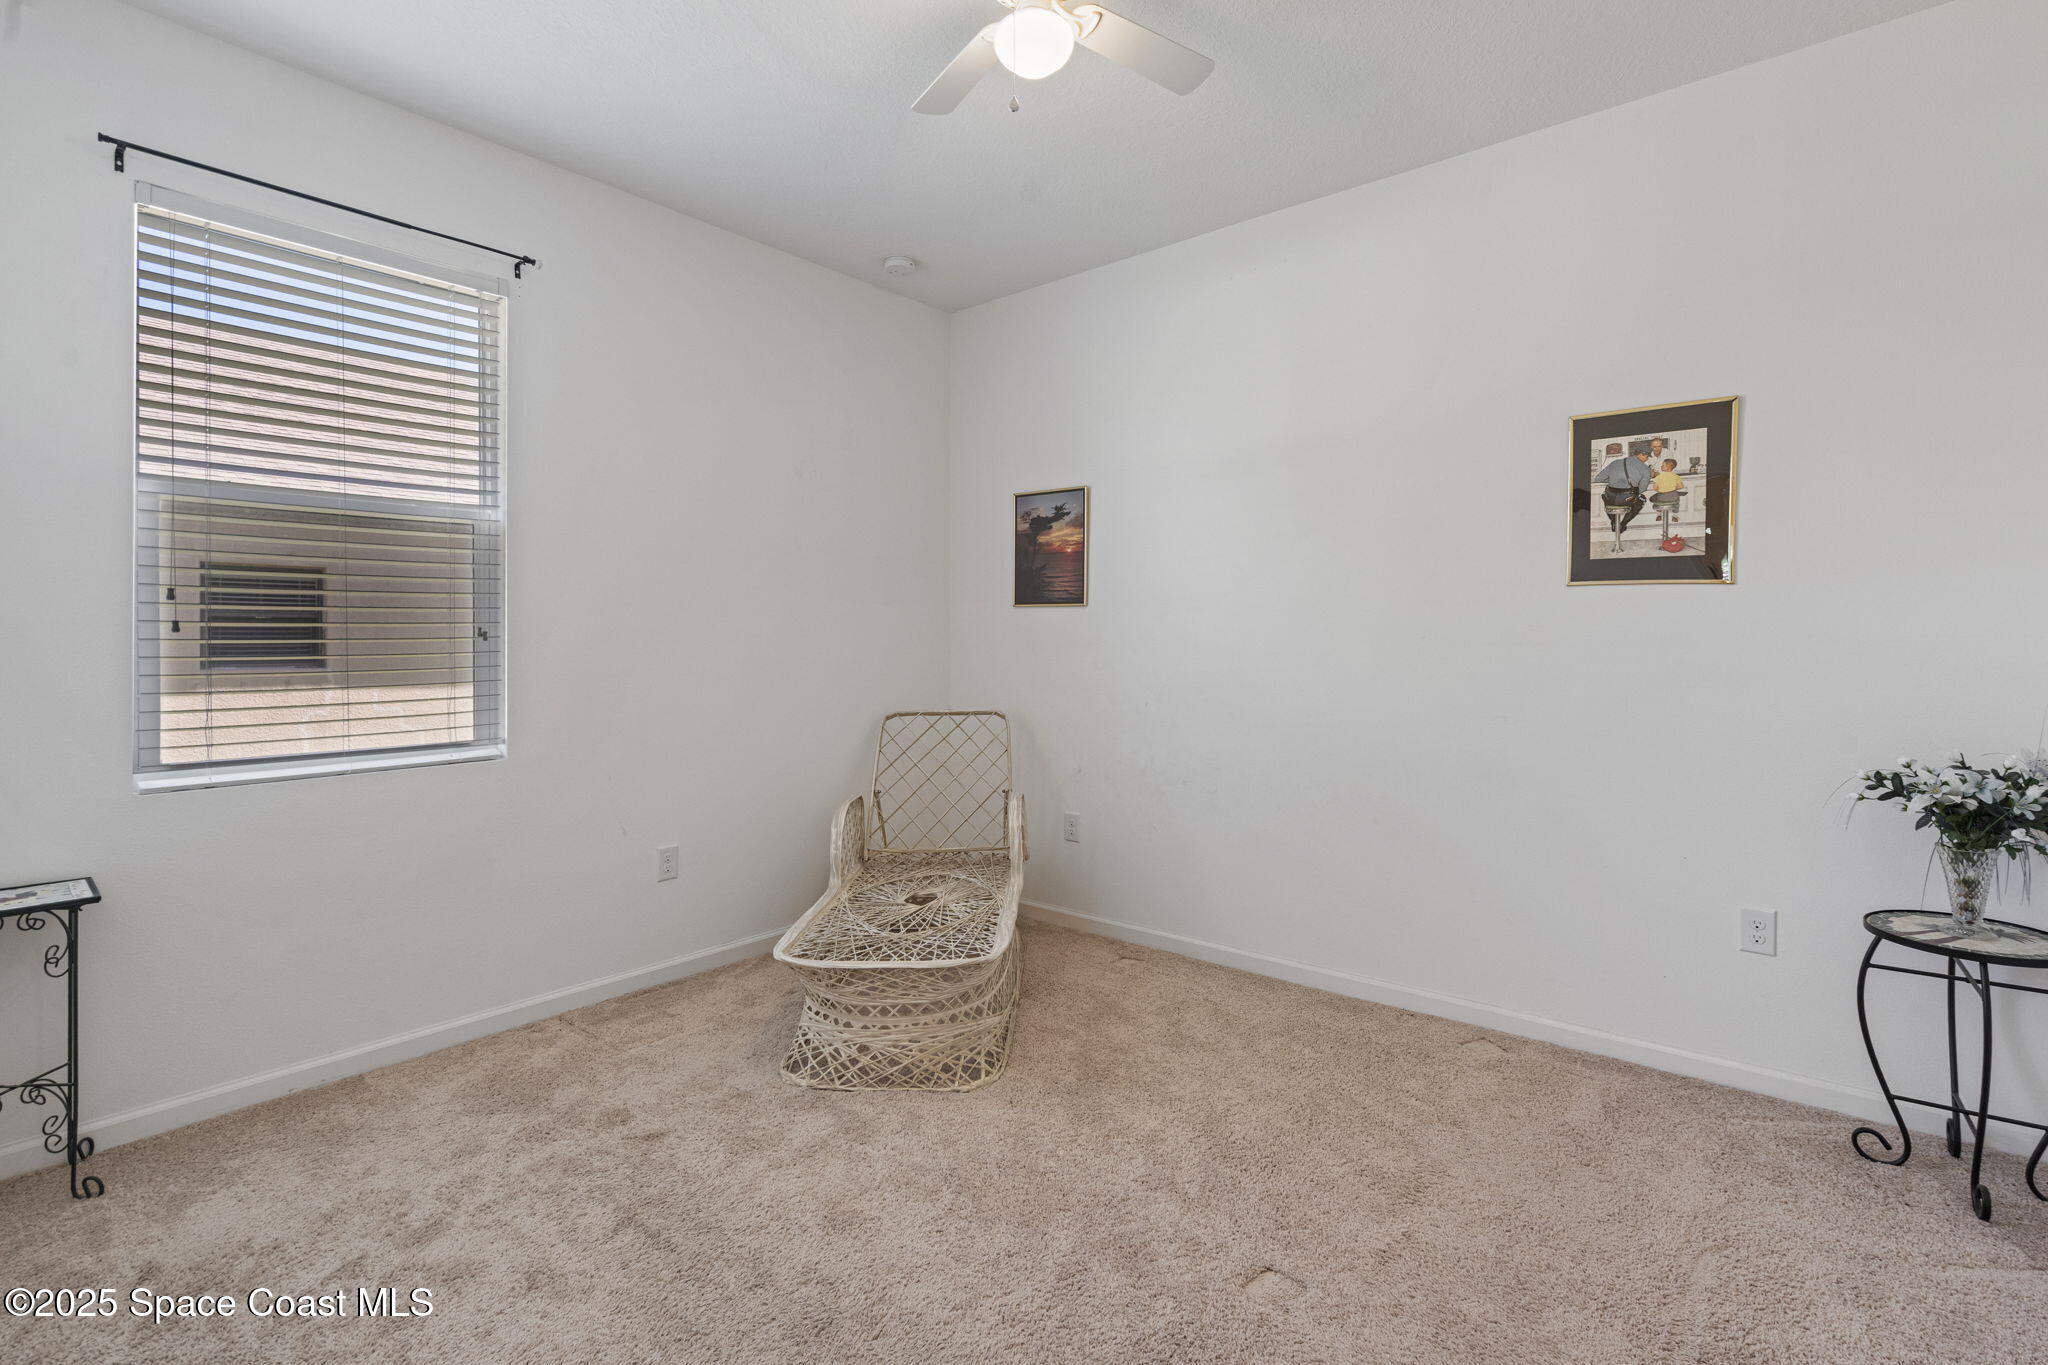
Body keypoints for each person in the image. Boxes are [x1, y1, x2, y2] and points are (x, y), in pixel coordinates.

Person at [1595, 442, 1654, 539]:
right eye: (1647, 456)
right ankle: (1622, 524)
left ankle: (1614, 522)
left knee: (1605, 496)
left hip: (1611, 499)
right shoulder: (1645, 469)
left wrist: (1615, 480)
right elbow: (1642, 489)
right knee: (1641, 499)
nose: (1647, 459)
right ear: (1641, 454)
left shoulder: (1615, 462)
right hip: (1627, 499)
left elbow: (1598, 479)